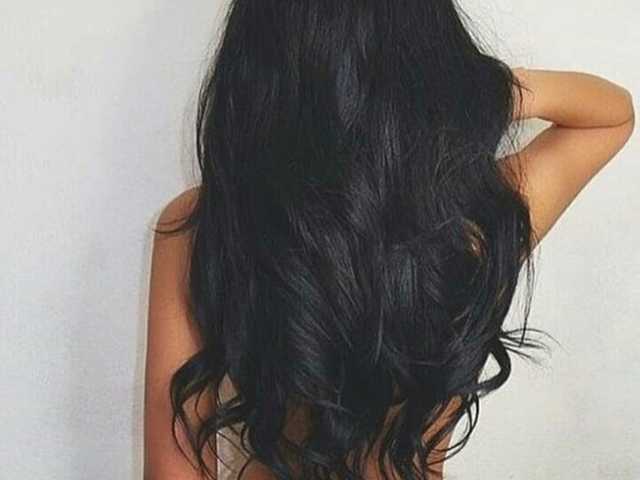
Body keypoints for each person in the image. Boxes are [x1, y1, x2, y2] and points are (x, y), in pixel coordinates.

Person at [143, 2, 635, 479]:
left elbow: (172, 471)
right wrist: (489, 93)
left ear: (256, 61)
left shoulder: (205, 224)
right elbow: (612, 114)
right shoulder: (472, 218)